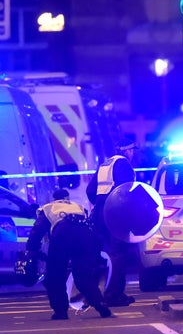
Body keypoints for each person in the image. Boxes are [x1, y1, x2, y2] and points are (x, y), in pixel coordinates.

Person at [26, 189, 112, 320]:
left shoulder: (48, 208)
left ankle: (60, 312)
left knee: (55, 276)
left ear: (53, 199)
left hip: (62, 234)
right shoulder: (78, 207)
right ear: (67, 198)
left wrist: (31, 251)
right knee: (83, 276)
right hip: (85, 235)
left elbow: (36, 232)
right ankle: (100, 304)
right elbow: (91, 226)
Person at [86, 137, 137, 307]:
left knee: (102, 255)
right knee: (118, 254)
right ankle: (114, 295)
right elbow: (126, 192)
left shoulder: (105, 163)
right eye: (132, 150)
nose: (133, 153)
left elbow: (90, 190)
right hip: (116, 213)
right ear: (127, 150)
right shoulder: (124, 164)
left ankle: (93, 294)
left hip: (100, 214)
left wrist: (100, 203)